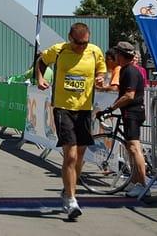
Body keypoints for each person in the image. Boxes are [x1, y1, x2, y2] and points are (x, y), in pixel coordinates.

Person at [36, 22, 106, 220]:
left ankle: (67, 189)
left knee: (80, 155)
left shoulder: (94, 52)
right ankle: (71, 200)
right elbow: (41, 61)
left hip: (84, 109)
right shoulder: (59, 50)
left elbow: (101, 70)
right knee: (71, 155)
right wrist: (39, 78)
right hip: (63, 108)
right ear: (70, 38)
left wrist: (101, 79)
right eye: (78, 43)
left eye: (85, 43)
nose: (82, 47)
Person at [96, 41, 148, 198]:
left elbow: (129, 95)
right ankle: (134, 181)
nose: (114, 57)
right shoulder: (126, 70)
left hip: (133, 112)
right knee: (130, 148)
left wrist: (110, 109)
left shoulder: (130, 71)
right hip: (130, 112)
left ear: (120, 55)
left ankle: (143, 185)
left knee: (133, 148)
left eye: (116, 54)